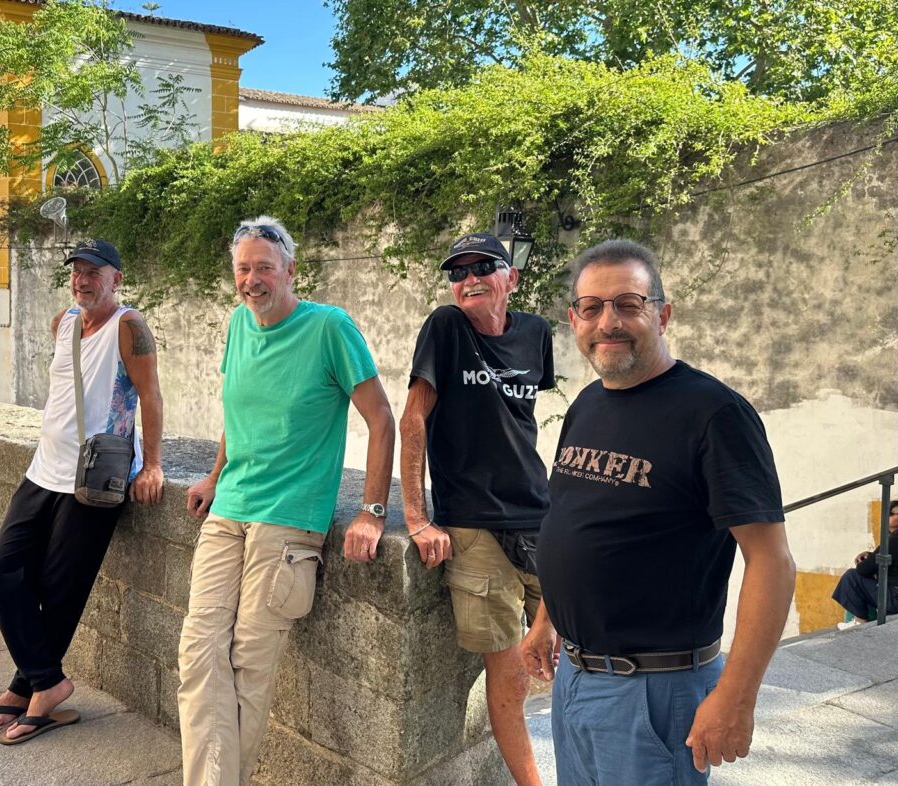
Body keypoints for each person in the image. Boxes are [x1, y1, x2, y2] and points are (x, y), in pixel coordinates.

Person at [522, 239, 796, 785]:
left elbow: (772, 561)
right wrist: (546, 620)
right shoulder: (588, 403)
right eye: (592, 308)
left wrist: (736, 699)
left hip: (655, 693)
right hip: (574, 678)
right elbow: (574, 522)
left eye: (629, 304)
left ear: (662, 314)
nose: (609, 322)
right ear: (573, 319)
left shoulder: (714, 414)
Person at [177, 216, 395, 786]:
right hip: (230, 510)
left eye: (264, 268)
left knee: (249, 669)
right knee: (199, 655)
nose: (253, 279)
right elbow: (236, 411)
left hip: (289, 524)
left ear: (290, 271)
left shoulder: (329, 328)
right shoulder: (238, 325)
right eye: (243, 269)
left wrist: (373, 511)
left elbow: (382, 419)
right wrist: (213, 473)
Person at [0, 238, 165, 743]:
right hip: (44, 469)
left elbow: (150, 395)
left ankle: (27, 689)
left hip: (95, 478)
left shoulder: (130, 326)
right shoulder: (64, 323)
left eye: (93, 271)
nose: (82, 279)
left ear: (116, 278)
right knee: (1, 570)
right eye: (77, 270)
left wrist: (154, 466)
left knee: (59, 589)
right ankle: (45, 682)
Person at [400, 232, 554, 786]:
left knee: (585, 643)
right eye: (458, 272)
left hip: (542, 513)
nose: (469, 279)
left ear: (511, 278)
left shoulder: (537, 332)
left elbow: (521, 422)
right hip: (473, 525)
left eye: (484, 267)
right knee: (509, 672)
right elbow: (413, 417)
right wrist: (417, 516)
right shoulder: (446, 328)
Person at [833, 500, 898, 627]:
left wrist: (866, 560)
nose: (886, 516)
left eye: (891, 514)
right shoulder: (892, 542)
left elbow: (864, 569)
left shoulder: (893, 541)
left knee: (852, 577)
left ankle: (860, 621)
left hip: (894, 599)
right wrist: (870, 555)